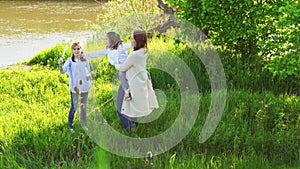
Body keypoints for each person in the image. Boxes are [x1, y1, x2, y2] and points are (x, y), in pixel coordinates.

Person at [115, 30, 159, 130]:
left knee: (120, 107)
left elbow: (122, 68)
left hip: (131, 83)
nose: (130, 40)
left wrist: (115, 64)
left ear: (137, 40)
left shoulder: (134, 55)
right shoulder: (144, 51)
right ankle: (135, 127)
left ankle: (129, 130)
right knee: (132, 105)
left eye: (132, 38)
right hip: (138, 82)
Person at [59, 41, 91, 133]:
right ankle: (70, 125)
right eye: (74, 49)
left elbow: (87, 71)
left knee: (83, 107)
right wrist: (60, 64)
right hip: (75, 88)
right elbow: (62, 71)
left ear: (81, 50)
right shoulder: (70, 61)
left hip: (84, 87)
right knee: (74, 107)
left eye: (78, 49)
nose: (77, 51)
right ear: (72, 50)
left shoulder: (85, 60)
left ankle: (83, 124)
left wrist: (88, 76)